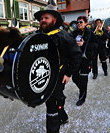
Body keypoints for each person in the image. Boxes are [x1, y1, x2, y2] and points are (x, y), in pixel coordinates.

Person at [34, 4, 82, 133]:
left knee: (52, 104)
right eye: (41, 18)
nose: (42, 20)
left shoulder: (63, 36)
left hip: (59, 76)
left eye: (46, 18)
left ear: (54, 20)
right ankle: (63, 116)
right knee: (52, 100)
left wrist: (68, 73)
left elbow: (76, 55)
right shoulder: (38, 36)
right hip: (44, 76)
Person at [71, 16, 97, 106]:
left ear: (86, 23)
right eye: (77, 22)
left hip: (86, 59)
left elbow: (96, 45)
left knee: (83, 79)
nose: (78, 24)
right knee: (74, 78)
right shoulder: (74, 33)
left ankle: (82, 97)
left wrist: (84, 43)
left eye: (81, 22)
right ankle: (82, 89)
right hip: (76, 59)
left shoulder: (90, 33)